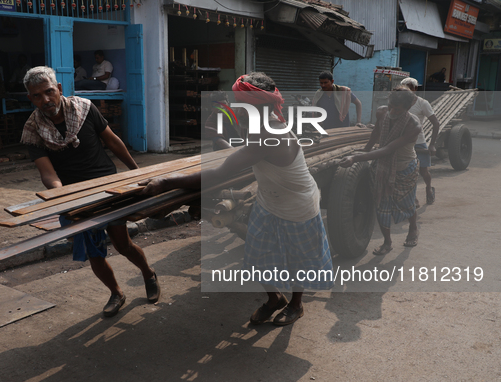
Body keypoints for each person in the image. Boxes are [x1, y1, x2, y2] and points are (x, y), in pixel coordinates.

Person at [141, 72, 333, 326]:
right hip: (269, 200)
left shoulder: (269, 133)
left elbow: (222, 172)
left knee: (296, 258)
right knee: (256, 256)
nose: (234, 107)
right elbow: (241, 154)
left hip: (297, 205)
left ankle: (296, 305)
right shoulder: (263, 122)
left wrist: (166, 181)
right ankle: (275, 298)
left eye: (239, 102)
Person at [20, 66, 159, 317]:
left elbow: (113, 141)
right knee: (94, 253)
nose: (46, 100)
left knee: (122, 244)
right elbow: (47, 173)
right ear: (30, 98)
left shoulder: (84, 108)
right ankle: (116, 292)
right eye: (37, 95)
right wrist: (60, 194)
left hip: (108, 189)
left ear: (59, 89)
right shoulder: (33, 130)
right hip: (75, 198)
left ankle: (148, 274)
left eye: (49, 91)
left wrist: (136, 172)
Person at [339, 87, 421, 255]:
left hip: (404, 168)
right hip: (383, 167)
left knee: (406, 203)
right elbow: (376, 133)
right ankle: (387, 242)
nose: (392, 111)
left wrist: (356, 158)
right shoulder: (382, 113)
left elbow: (388, 149)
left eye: (397, 109)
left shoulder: (413, 125)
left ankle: (413, 228)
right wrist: (364, 151)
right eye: (390, 106)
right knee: (381, 205)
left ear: (407, 108)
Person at [401, 77, 440, 206]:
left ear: (415, 89)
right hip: (403, 142)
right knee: (409, 172)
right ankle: (413, 198)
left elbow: (435, 123)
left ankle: (429, 187)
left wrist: (432, 144)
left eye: (408, 88)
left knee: (423, 171)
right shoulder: (399, 102)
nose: (405, 90)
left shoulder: (422, 103)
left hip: (419, 142)